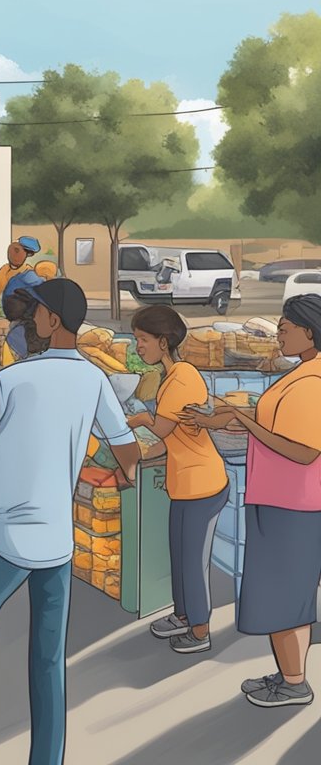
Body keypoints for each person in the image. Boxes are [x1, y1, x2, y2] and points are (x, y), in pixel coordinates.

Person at [0, 278, 143, 765]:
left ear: (52, 321)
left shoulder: (11, 380)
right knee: (48, 659)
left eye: (37, 311)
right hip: (58, 542)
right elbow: (128, 451)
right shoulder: (93, 379)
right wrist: (119, 476)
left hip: (1, 537)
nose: (31, 318)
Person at [181, 294, 321, 709]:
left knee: (286, 597)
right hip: (286, 500)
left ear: (309, 331)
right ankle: (288, 674)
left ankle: (294, 683)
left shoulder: (313, 383)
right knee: (290, 594)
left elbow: (303, 451)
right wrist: (216, 419)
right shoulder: (304, 372)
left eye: (285, 327)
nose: (278, 333)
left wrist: (242, 420)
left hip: (292, 504)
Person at [121, 306, 229, 654]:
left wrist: (137, 420)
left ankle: (200, 631)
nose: (138, 347)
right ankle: (183, 616)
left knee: (193, 562)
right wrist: (137, 455)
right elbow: (171, 439)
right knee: (180, 556)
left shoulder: (181, 377)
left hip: (203, 485)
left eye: (143, 340)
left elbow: (163, 428)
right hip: (185, 484)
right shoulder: (173, 376)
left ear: (163, 342)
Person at [0, 236, 40, 306]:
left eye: (18, 251)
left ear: (28, 254)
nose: (14, 254)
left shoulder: (28, 273)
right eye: (14, 250)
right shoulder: (4, 269)